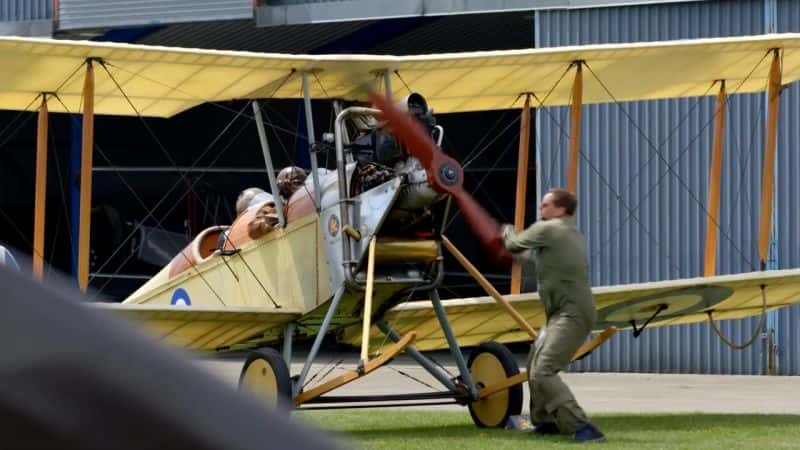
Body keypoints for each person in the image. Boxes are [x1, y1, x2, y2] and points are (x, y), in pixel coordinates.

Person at [501, 188, 605, 443]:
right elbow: (531, 257)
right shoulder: (569, 233)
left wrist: (505, 230)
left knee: (543, 370)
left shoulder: (548, 229)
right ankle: (546, 423)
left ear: (560, 209)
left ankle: (583, 426)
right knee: (534, 364)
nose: (541, 210)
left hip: (570, 314)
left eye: (545, 205)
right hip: (564, 313)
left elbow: (514, 244)